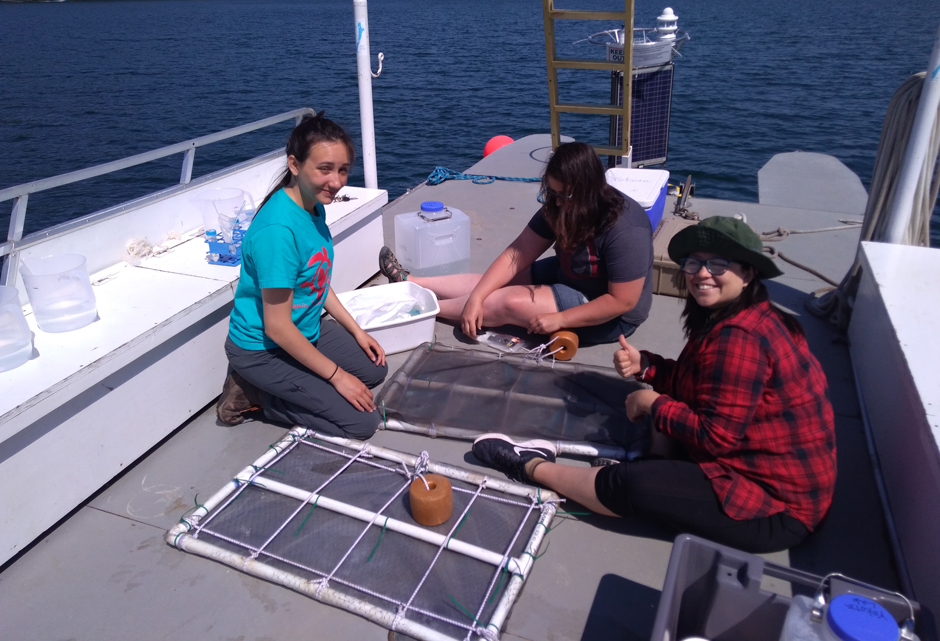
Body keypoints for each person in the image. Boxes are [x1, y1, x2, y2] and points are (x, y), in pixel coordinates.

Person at [471, 216, 837, 554]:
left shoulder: (741, 338)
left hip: (773, 507)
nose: (702, 274)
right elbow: (703, 386)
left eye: (719, 264)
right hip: (754, 463)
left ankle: (529, 466)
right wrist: (648, 367)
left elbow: (716, 437)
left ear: (748, 274)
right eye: (694, 263)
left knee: (631, 485)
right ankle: (657, 463)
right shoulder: (740, 317)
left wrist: (650, 402)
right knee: (660, 413)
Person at [216, 112, 387, 439]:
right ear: (294, 165)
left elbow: (316, 279)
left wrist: (357, 330)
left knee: (374, 369)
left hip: (305, 326)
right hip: (263, 348)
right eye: (324, 169)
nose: (336, 182)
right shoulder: (278, 232)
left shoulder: (313, 204)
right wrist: (337, 376)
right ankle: (253, 395)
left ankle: (302, 380)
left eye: (343, 170)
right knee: (362, 423)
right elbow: (277, 327)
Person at [378, 141, 654, 344]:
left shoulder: (626, 228)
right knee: (493, 282)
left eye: (565, 196)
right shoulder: (560, 206)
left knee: (505, 301)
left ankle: (420, 310)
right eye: (553, 193)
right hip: (569, 273)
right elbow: (516, 255)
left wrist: (560, 320)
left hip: (607, 311)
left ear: (589, 191)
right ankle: (412, 282)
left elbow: (621, 301)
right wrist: (476, 297)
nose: (557, 202)